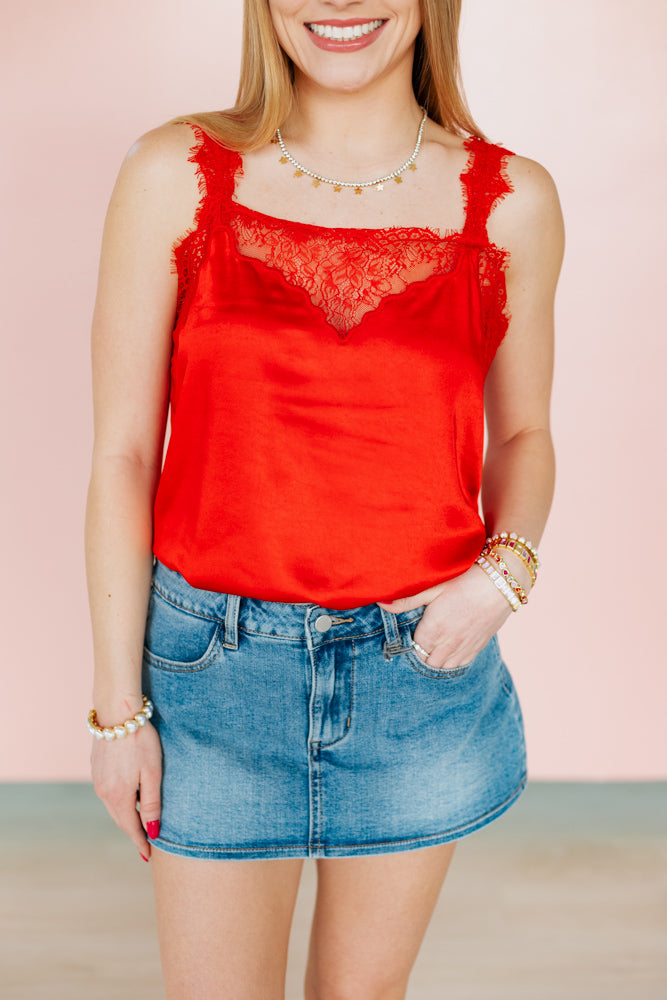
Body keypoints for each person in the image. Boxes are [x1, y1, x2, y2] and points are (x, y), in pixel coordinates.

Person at [85, 1, 564, 997]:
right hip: (211, 675)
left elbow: (523, 433)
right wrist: (117, 711)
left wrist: (502, 576)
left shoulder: (510, 200)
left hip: (416, 673)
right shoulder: (174, 174)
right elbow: (124, 454)